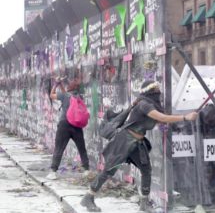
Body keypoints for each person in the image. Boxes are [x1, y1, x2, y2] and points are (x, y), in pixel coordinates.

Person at [80, 80, 198, 212]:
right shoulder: (145, 105)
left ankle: (144, 203)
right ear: (150, 91)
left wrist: (178, 122)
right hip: (124, 142)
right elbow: (163, 118)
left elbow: (160, 120)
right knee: (109, 170)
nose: (158, 92)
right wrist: (185, 117)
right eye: (156, 89)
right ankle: (88, 197)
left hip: (137, 143)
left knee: (146, 170)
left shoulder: (150, 105)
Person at [46, 78, 90, 180]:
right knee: (81, 148)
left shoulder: (65, 96)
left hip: (64, 125)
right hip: (76, 126)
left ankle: (53, 171)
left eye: (69, 84)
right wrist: (61, 85)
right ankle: (87, 170)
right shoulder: (79, 97)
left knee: (59, 148)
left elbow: (51, 95)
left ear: (70, 87)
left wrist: (56, 84)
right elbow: (66, 94)